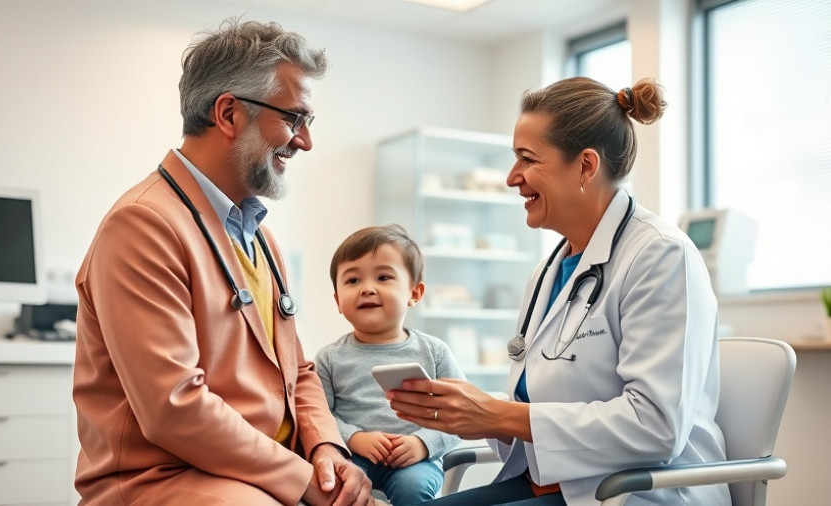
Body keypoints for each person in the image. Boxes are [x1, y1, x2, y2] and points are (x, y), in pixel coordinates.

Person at [386, 77, 732, 506]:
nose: (513, 177)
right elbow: (542, 405)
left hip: (638, 491)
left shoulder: (662, 257)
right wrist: (471, 414)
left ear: (586, 165)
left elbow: (655, 426)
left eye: (527, 159)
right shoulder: (551, 272)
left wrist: (498, 414)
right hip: (562, 483)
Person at [72, 18, 374, 506]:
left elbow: (296, 371)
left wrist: (325, 449)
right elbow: (174, 408)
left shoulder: (260, 237)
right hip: (166, 479)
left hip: (263, 470)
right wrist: (301, 481)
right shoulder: (142, 225)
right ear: (229, 113)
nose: (305, 141)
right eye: (294, 118)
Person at [315, 225, 466, 505]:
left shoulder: (434, 352)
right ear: (337, 301)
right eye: (352, 281)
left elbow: (460, 416)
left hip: (415, 463)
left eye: (383, 277)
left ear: (414, 293)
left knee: (412, 489)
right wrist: (355, 438)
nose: (367, 289)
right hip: (352, 457)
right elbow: (320, 417)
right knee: (330, 489)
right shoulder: (329, 358)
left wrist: (422, 444)